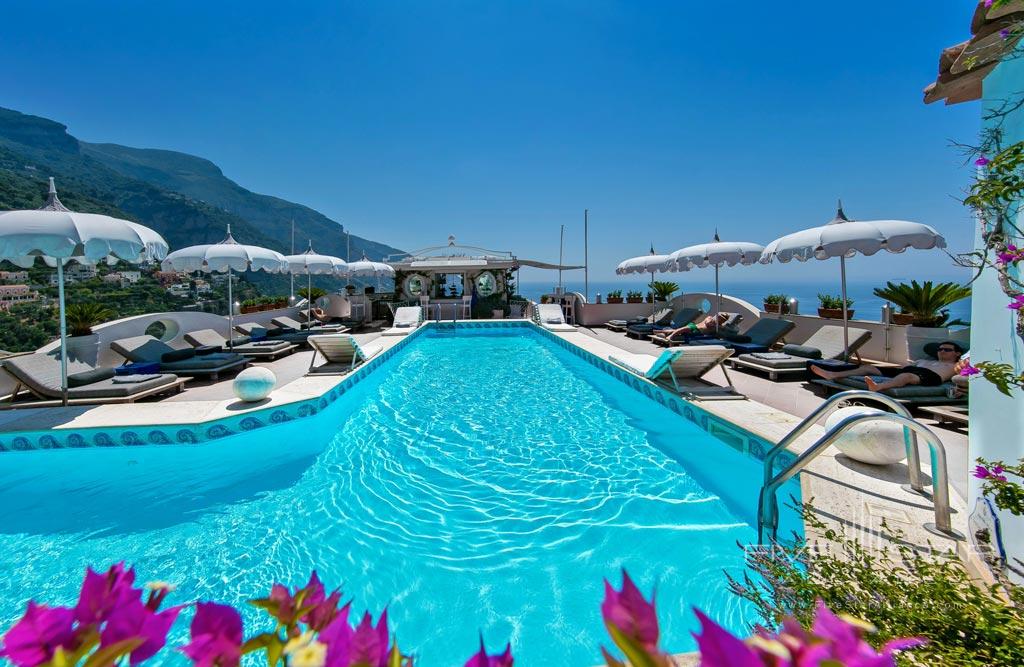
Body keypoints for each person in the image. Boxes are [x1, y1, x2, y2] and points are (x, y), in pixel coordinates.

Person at [809, 341, 965, 392]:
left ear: (957, 353)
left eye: (947, 350)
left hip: (930, 376)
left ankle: (877, 387)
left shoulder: (957, 364)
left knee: (906, 377)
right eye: (940, 349)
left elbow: (969, 367)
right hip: (909, 370)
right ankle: (832, 375)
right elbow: (904, 367)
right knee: (869, 367)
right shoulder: (924, 359)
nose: (942, 351)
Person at [661, 312, 730, 341]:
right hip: (694, 327)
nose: (721, 318)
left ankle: (662, 331)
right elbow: (708, 324)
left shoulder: (720, 326)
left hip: (698, 331)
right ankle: (671, 336)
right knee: (684, 329)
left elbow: (723, 331)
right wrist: (716, 323)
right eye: (720, 316)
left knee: (681, 330)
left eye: (723, 319)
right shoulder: (710, 318)